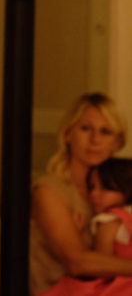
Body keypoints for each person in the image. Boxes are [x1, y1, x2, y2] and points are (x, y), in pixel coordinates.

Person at [30, 92, 132, 295]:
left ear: (117, 142)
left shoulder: (119, 191)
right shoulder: (48, 191)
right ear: (68, 134)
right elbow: (76, 262)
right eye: (85, 128)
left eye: (105, 132)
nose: (95, 140)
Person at [89, 158, 132, 259]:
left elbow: (101, 263)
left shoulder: (109, 221)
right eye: (91, 187)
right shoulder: (109, 220)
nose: (93, 194)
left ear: (126, 189)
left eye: (105, 188)